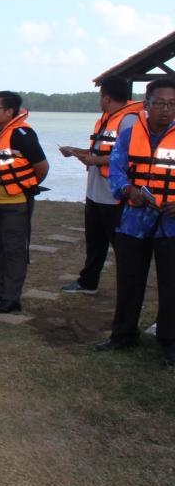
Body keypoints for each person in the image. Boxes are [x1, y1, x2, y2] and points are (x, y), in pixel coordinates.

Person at [96, 78, 175, 366]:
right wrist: (129, 190)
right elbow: (116, 171)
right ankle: (123, 335)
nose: (165, 110)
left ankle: (169, 342)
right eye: (159, 103)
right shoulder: (129, 135)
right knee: (128, 281)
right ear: (146, 105)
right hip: (133, 221)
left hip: (171, 224)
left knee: (171, 286)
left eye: (171, 104)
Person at [59, 75, 142, 294]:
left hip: (113, 194)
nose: (99, 100)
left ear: (106, 97)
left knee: (121, 245)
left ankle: (129, 289)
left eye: (100, 96)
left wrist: (95, 160)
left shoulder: (129, 120)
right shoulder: (107, 118)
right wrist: (76, 151)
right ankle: (88, 282)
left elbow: (130, 157)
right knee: (95, 241)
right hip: (95, 192)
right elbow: (99, 151)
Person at [0, 91, 49, 313]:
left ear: (9, 111)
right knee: (1, 249)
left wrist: (25, 187)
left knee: (15, 250)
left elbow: (42, 167)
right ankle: (2, 291)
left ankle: (12, 298)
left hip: (16, 203)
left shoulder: (22, 135)